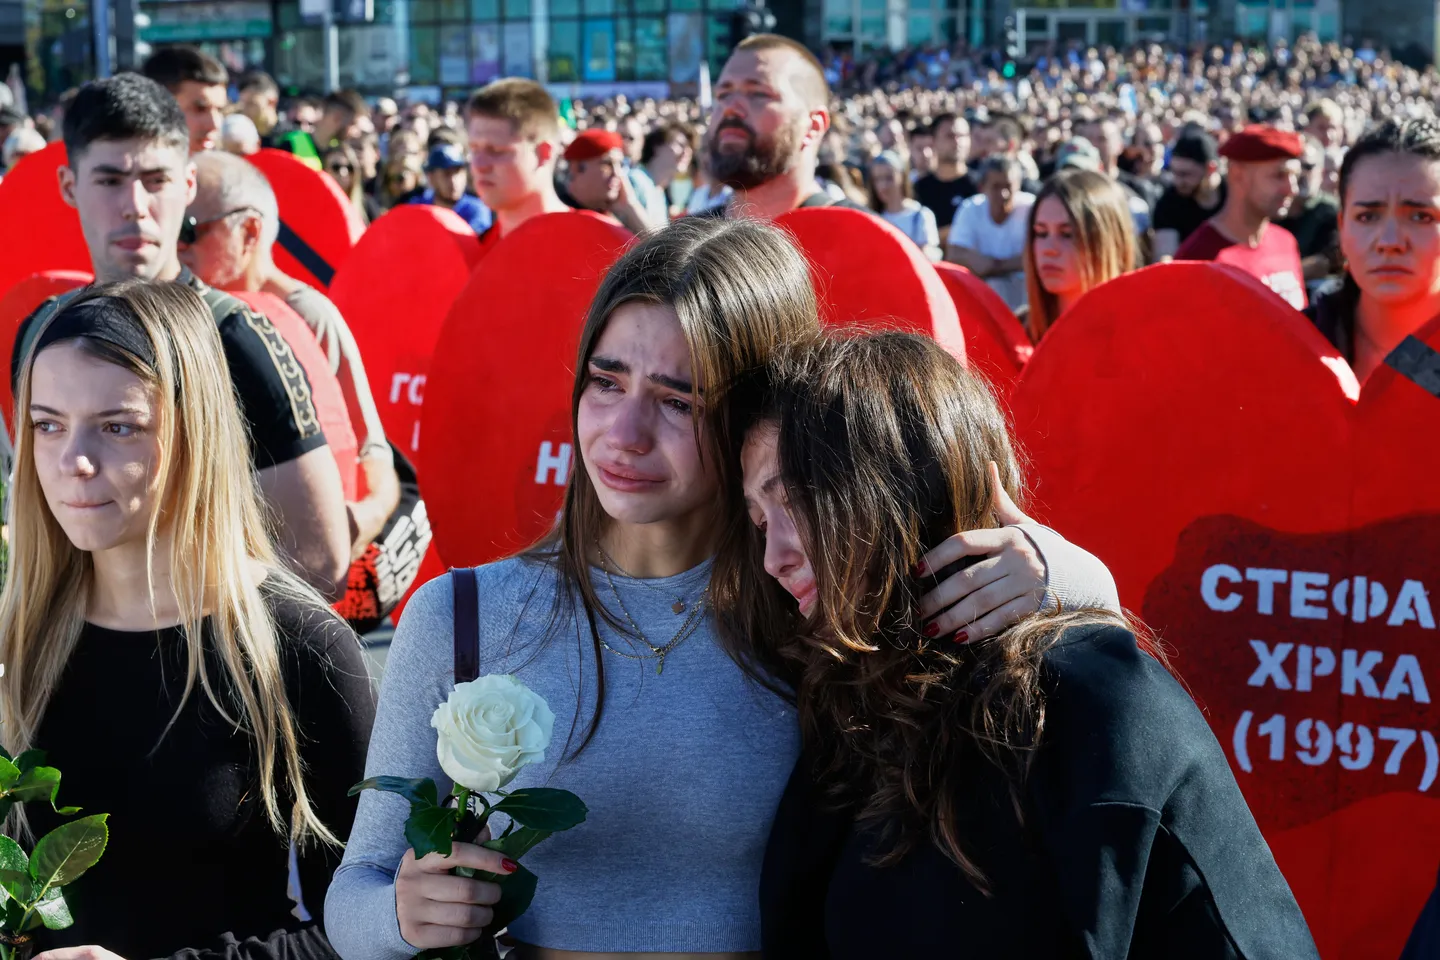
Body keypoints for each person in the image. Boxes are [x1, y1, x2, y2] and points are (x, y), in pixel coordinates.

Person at [327, 217, 1120, 958]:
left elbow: (1100, 665)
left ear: (754, 421)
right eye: (606, 382)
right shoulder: (463, 616)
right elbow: (353, 891)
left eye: (679, 400)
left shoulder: (822, 607)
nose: (625, 434)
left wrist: (1058, 572)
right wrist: (401, 915)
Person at [742, 331, 1319, 957]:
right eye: (758, 521)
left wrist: (1079, 584)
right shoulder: (847, 723)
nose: (773, 556)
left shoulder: (1092, 705)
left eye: (794, 502)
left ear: (897, 485)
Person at [2, 278, 375, 960]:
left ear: (191, 429)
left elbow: (370, 931)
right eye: (47, 424)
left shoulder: (297, 644)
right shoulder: (15, 640)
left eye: (118, 427)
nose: (72, 462)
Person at [12, 74, 351, 600]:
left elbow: (319, 559)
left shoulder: (238, 335)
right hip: (65, 655)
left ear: (189, 184)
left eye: (155, 180)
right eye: (109, 181)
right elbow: (33, 529)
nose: (135, 205)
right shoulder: (41, 332)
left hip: (208, 660)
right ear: (67, 186)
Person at [179, 150, 414, 630]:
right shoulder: (180, 312)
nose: (175, 246)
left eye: (189, 230)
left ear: (248, 231)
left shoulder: (308, 317)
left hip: (288, 591)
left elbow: (372, 451)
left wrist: (349, 526)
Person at [1307, 116, 1440, 384]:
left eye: (1420, 217)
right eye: (1368, 216)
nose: (1390, 241)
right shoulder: (1298, 341)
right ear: (1342, 228)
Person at [701, 34, 864, 220]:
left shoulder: (867, 241)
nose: (730, 108)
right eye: (723, 94)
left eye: (758, 94)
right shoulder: (682, 244)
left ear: (813, 126)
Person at [1175, 125, 1306, 310]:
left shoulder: (1286, 242)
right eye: (1278, 176)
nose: (1292, 189)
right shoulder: (1198, 258)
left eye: (1294, 177)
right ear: (1238, 175)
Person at [1023, 169, 1137, 342]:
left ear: (1107, 241)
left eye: (1067, 234)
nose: (1048, 249)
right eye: (1041, 233)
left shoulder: (1139, 334)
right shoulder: (1017, 334)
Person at [464, 78, 572, 251]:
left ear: (543, 153)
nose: (479, 164)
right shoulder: (474, 253)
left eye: (497, 151)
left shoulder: (598, 246)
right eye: (474, 149)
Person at [947, 155, 1035, 310]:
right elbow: (954, 254)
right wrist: (1014, 263)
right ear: (982, 188)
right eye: (996, 187)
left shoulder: (1032, 208)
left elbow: (1038, 255)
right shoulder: (970, 209)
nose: (1004, 194)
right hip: (983, 293)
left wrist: (993, 266)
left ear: (1018, 185)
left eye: (1008, 186)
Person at [561, 128, 656, 234]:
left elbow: (663, 249)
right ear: (577, 168)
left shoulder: (615, 219)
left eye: (621, 164)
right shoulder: (558, 214)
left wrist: (630, 207)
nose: (617, 174)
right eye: (607, 164)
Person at [1277, 135, 1341, 284]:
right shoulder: (1274, 207)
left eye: (1308, 167)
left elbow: (1325, 262)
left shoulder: (1329, 211)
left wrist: (1275, 275)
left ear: (1322, 171)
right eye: (1296, 167)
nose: (1301, 174)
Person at [139, 45, 227, 154]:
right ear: (156, 107)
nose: (215, 124)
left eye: (220, 110)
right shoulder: (121, 166)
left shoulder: (230, 168)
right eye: (200, 109)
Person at [1153, 131, 1226, 258]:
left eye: (1185, 174)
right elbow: (1165, 256)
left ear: (1211, 169)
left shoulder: (1234, 195)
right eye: (1174, 172)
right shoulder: (1169, 203)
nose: (1177, 181)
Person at [913, 112, 976, 246]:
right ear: (933, 141)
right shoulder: (919, 189)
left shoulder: (982, 185)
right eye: (950, 136)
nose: (957, 142)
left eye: (962, 136)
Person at [867, 150, 940, 261]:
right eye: (878, 179)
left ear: (902, 177)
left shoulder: (920, 215)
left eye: (889, 178)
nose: (883, 186)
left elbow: (931, 257)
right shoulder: (872, 218)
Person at [410, 139, 492, 234]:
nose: (453, 181)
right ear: (431, 178)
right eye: (446, 174)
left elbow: (470, 242)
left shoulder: (477, 209)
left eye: (458, 172)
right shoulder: (418, 207)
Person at [275, 90, 368, 171]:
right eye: (353, 124)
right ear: (337, 117)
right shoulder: (290, 144)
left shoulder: (341, 152)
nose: (357, 133)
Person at [324, 142, 379, 225]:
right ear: (325, 170)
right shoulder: (316, 205)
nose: (343, 173)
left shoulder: (367, 204)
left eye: (349, 168)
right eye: (336, 167)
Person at [237, 70, 280, 143]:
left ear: (272, 102)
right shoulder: (240, 141)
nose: (245, 110)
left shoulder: (292, 139)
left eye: (251, 104)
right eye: (243, 104)